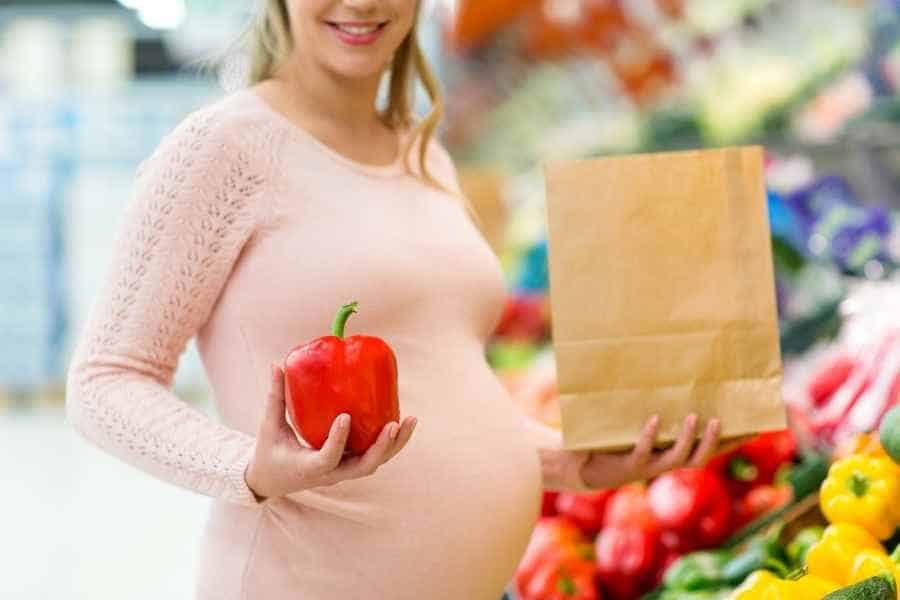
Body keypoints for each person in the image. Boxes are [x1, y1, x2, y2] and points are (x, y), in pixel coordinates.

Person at [65, 1, 721, 598]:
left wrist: (564, 460)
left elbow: (437, 379)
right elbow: (104, 381)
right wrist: (249, 467)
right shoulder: (225, 148)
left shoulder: (422, 151)